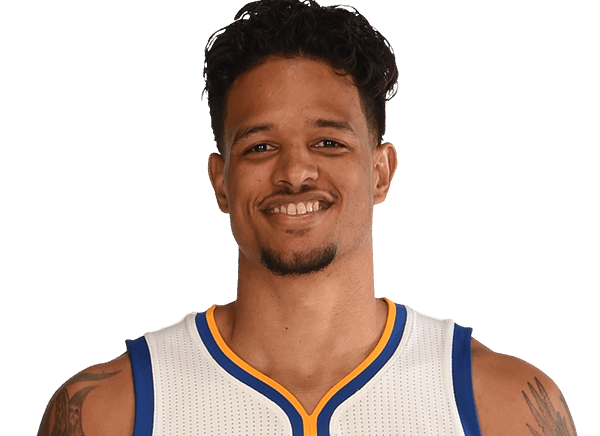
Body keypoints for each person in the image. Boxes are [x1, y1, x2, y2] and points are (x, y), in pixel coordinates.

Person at [38, 1, 577, 435]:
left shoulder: (501, 406)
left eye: (328, 142)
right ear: (220, 181)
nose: (295, 172)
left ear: (382, 171)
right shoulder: (111, 411)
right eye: (260, 147)